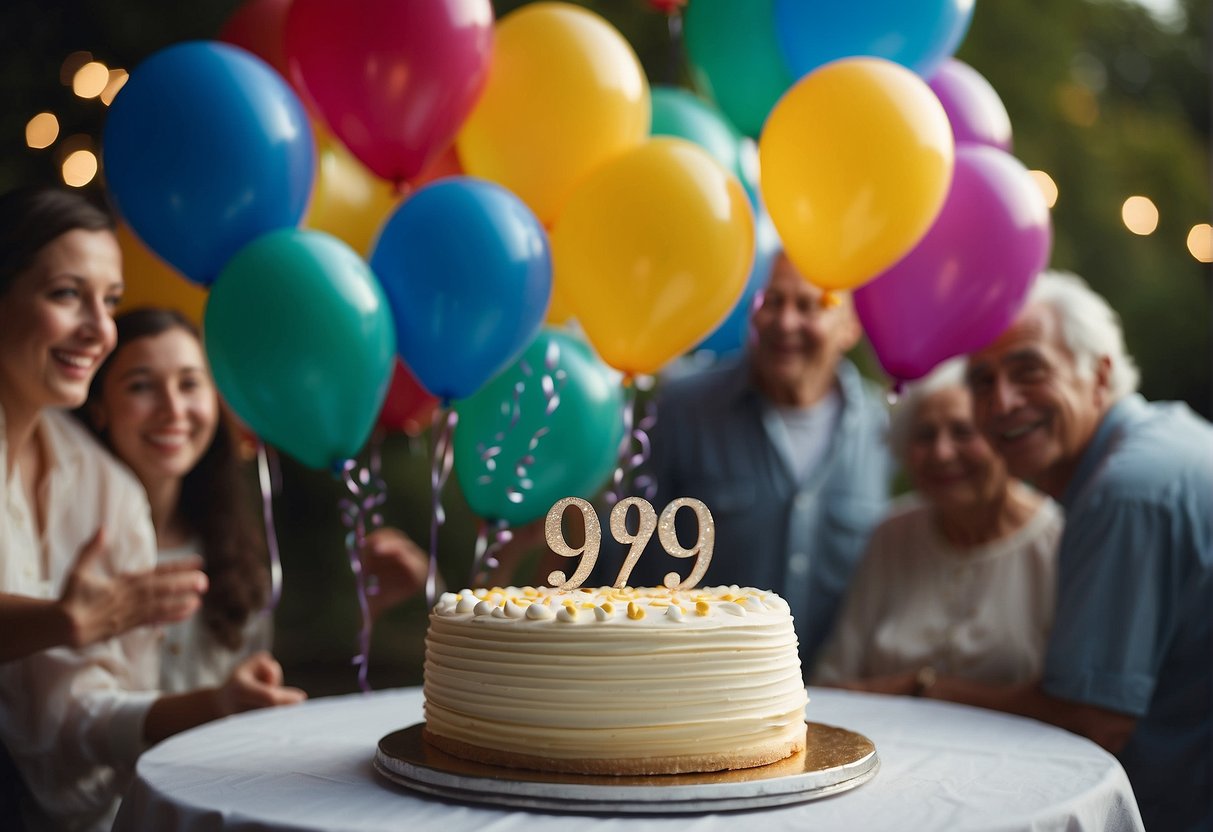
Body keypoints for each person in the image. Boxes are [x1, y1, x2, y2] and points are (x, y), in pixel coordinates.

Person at [0, 187, 301, 832]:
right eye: (65, 294)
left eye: (109, 301)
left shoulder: (106, 491)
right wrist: (58, 621)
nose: (98, 328)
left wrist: (219, 703)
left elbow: (81, 719)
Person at [943, 270, 1211, 832]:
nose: (1002, 403)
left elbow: (1092, 721)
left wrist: (919, 689)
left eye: (1029, 371)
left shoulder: (1126, 492)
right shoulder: (1157, 440)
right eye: (982, 382)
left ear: (1100, 375)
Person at [80, 307, 430, 692]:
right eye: (141, 386)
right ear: (98, 407)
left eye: (190, 384)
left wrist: (381, 609)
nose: (173, 410)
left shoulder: (240, 529)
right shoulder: (80, 543)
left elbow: (280, 673)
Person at [623, 252, 891, 667]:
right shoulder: (684, 409)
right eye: (772, 302)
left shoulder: (885, 431)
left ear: (850, 328)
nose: (785, 322)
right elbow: (626, 552)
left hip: (840, 700)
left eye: (808, 306)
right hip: (697, 686)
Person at [812, 359, 1062, 693]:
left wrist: (922, 689)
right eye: (925, 435)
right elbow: (835, 678)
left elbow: (1065, 702)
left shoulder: (1057, 541)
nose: (941, 453)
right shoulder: (892, 534)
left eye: (963, 432)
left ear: (1005, 441)